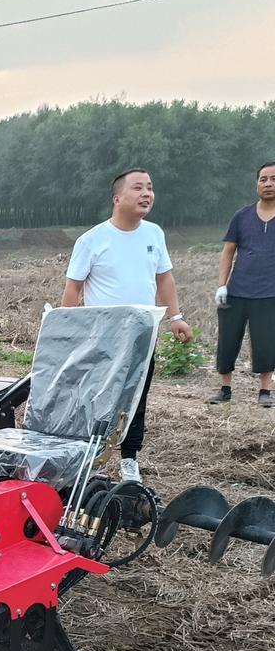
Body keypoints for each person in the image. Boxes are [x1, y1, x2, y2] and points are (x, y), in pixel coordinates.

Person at [61, 168, 192, 483]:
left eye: (150, 188)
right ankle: (81, 456)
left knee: (136, 399)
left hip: (142, 336)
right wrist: (69, 332)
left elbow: (164, 278)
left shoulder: (154, 234)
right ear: (117, 198)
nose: (147, 194)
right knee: (93, 399)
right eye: (138, 188)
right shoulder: (92, 240)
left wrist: (175, 317)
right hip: (102, 339)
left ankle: (129, 460)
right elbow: (72, 289)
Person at [207, 162, 275, 407]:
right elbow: (228, 252)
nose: (268, 184)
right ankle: (225, 388)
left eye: (273, 179)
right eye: (263, 179)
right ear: (257, 183)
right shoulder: (242, 216)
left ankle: (265, 391)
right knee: (227, 339)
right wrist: (221, 285)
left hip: (270, 293)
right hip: (236, 291)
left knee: (267, 341)